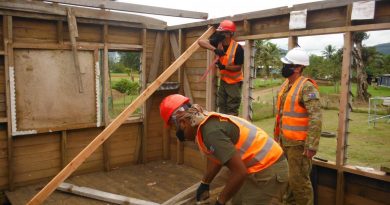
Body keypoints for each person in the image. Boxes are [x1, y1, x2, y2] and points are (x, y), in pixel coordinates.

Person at [160, 94, 289, 205]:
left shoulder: (210, 133)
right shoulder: (204, 122)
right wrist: (205, 182)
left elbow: (239, 172)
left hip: (270, 171)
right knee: (237, 200)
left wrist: (220, 201)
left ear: (182, 123)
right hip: (258, 167)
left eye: (173, 128)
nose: (176, 133)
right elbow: (217, 156)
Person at [274, 47, 322, 205]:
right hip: (285, 142)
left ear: (298, 67)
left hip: (299, 146)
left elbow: (316, 116)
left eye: (288, 64)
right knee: (288, 183)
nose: (284, 67)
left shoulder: (307, 87)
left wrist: (312, 145)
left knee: (300, 184)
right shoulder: (287, 85)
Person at [198, 20, 244, 116]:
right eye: (219, 32)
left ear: (229, 34)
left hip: (234, 82)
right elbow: (200, 42)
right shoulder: (218, 43)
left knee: (232, 107)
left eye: (222, 32)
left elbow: (238, 68)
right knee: (221, 104)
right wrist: (214, 49)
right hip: (224, 80)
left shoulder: (238, 48)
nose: (219, 34)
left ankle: (231, 127)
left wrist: (224, 67)